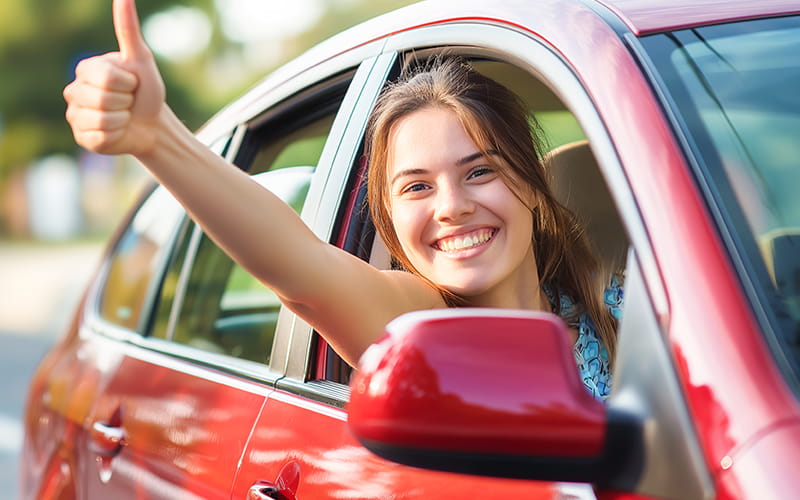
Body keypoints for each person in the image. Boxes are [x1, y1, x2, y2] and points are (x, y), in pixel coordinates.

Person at [64, 0, 622, 400]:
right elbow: (301, 271)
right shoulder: (420, 321)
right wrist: (161, 140)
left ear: (528, 179)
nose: (451, 205)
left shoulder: (621, 304)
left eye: (479, 172)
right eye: (417, 187)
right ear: (391, 217)